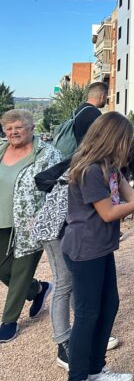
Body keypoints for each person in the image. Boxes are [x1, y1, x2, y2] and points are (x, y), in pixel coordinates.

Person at [34, 128, 134, 371]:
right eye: (125, 140)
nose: (128, 146)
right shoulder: (91, 170)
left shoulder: (111, 167)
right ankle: (77, 374)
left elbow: (131, 195)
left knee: (109, 305)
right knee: (87, 312)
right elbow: (108, 213)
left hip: (99, 246)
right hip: (83, 246)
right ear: (112, 139)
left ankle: (96, 369)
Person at [0, 109, 63, 343]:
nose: (13, 132)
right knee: (3, 269)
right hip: (2, 221)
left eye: (18, 127)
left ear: (31, 128)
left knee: (21, 270)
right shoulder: (1, 151)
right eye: (8, 128)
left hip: (31, 222)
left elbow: (59, 188)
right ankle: (38, 290)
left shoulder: (48, 154)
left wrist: (47, 216)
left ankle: (9, 321)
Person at [72, 82, 109, 147]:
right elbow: (102, 139)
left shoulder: (79, 109)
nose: (106, 100)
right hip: (86, 155)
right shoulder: (94, 113)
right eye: (106, 97)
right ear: (102, 97)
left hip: (75, 154)